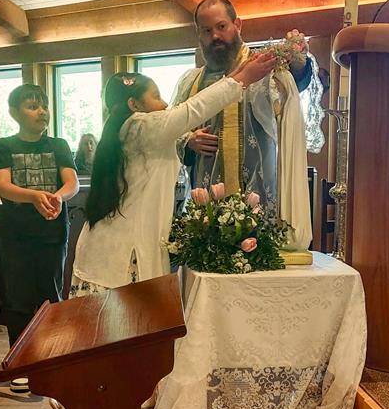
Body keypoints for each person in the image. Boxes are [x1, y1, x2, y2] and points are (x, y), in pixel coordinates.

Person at [70, 53, 276, 295]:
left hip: (105, 246)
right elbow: (192, 110)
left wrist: (188, 139)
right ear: (133, 105)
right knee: (125, 327)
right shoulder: (141, 125)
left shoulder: (127, 131)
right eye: (156, 96)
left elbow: (162, 140)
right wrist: (241, 79)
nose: (165, 104)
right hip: (123, 255)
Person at [173, 0, 313, 250]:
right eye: (206, 31)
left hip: (260, 190)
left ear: (237, 24)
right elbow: (170, 130)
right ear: (199, 36)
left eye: (221, 26)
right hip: (208, 201)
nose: (215, 36)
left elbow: (292, 85)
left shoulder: (261, 67)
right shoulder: (190, 82)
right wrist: (188, 140)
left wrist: (298, 63)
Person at [0, 84, 79, 391]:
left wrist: (55, 198)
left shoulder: (59, 144)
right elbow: (2, 185)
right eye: (32, 106)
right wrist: (34, 196)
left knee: (51, 296)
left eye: (43, 106)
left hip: (53, 231)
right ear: (14, 113)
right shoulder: (2, 145)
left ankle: (51, 358)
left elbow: (72, 183)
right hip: (14, 233)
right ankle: (20, 361)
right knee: (17, 298)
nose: (42, 111)